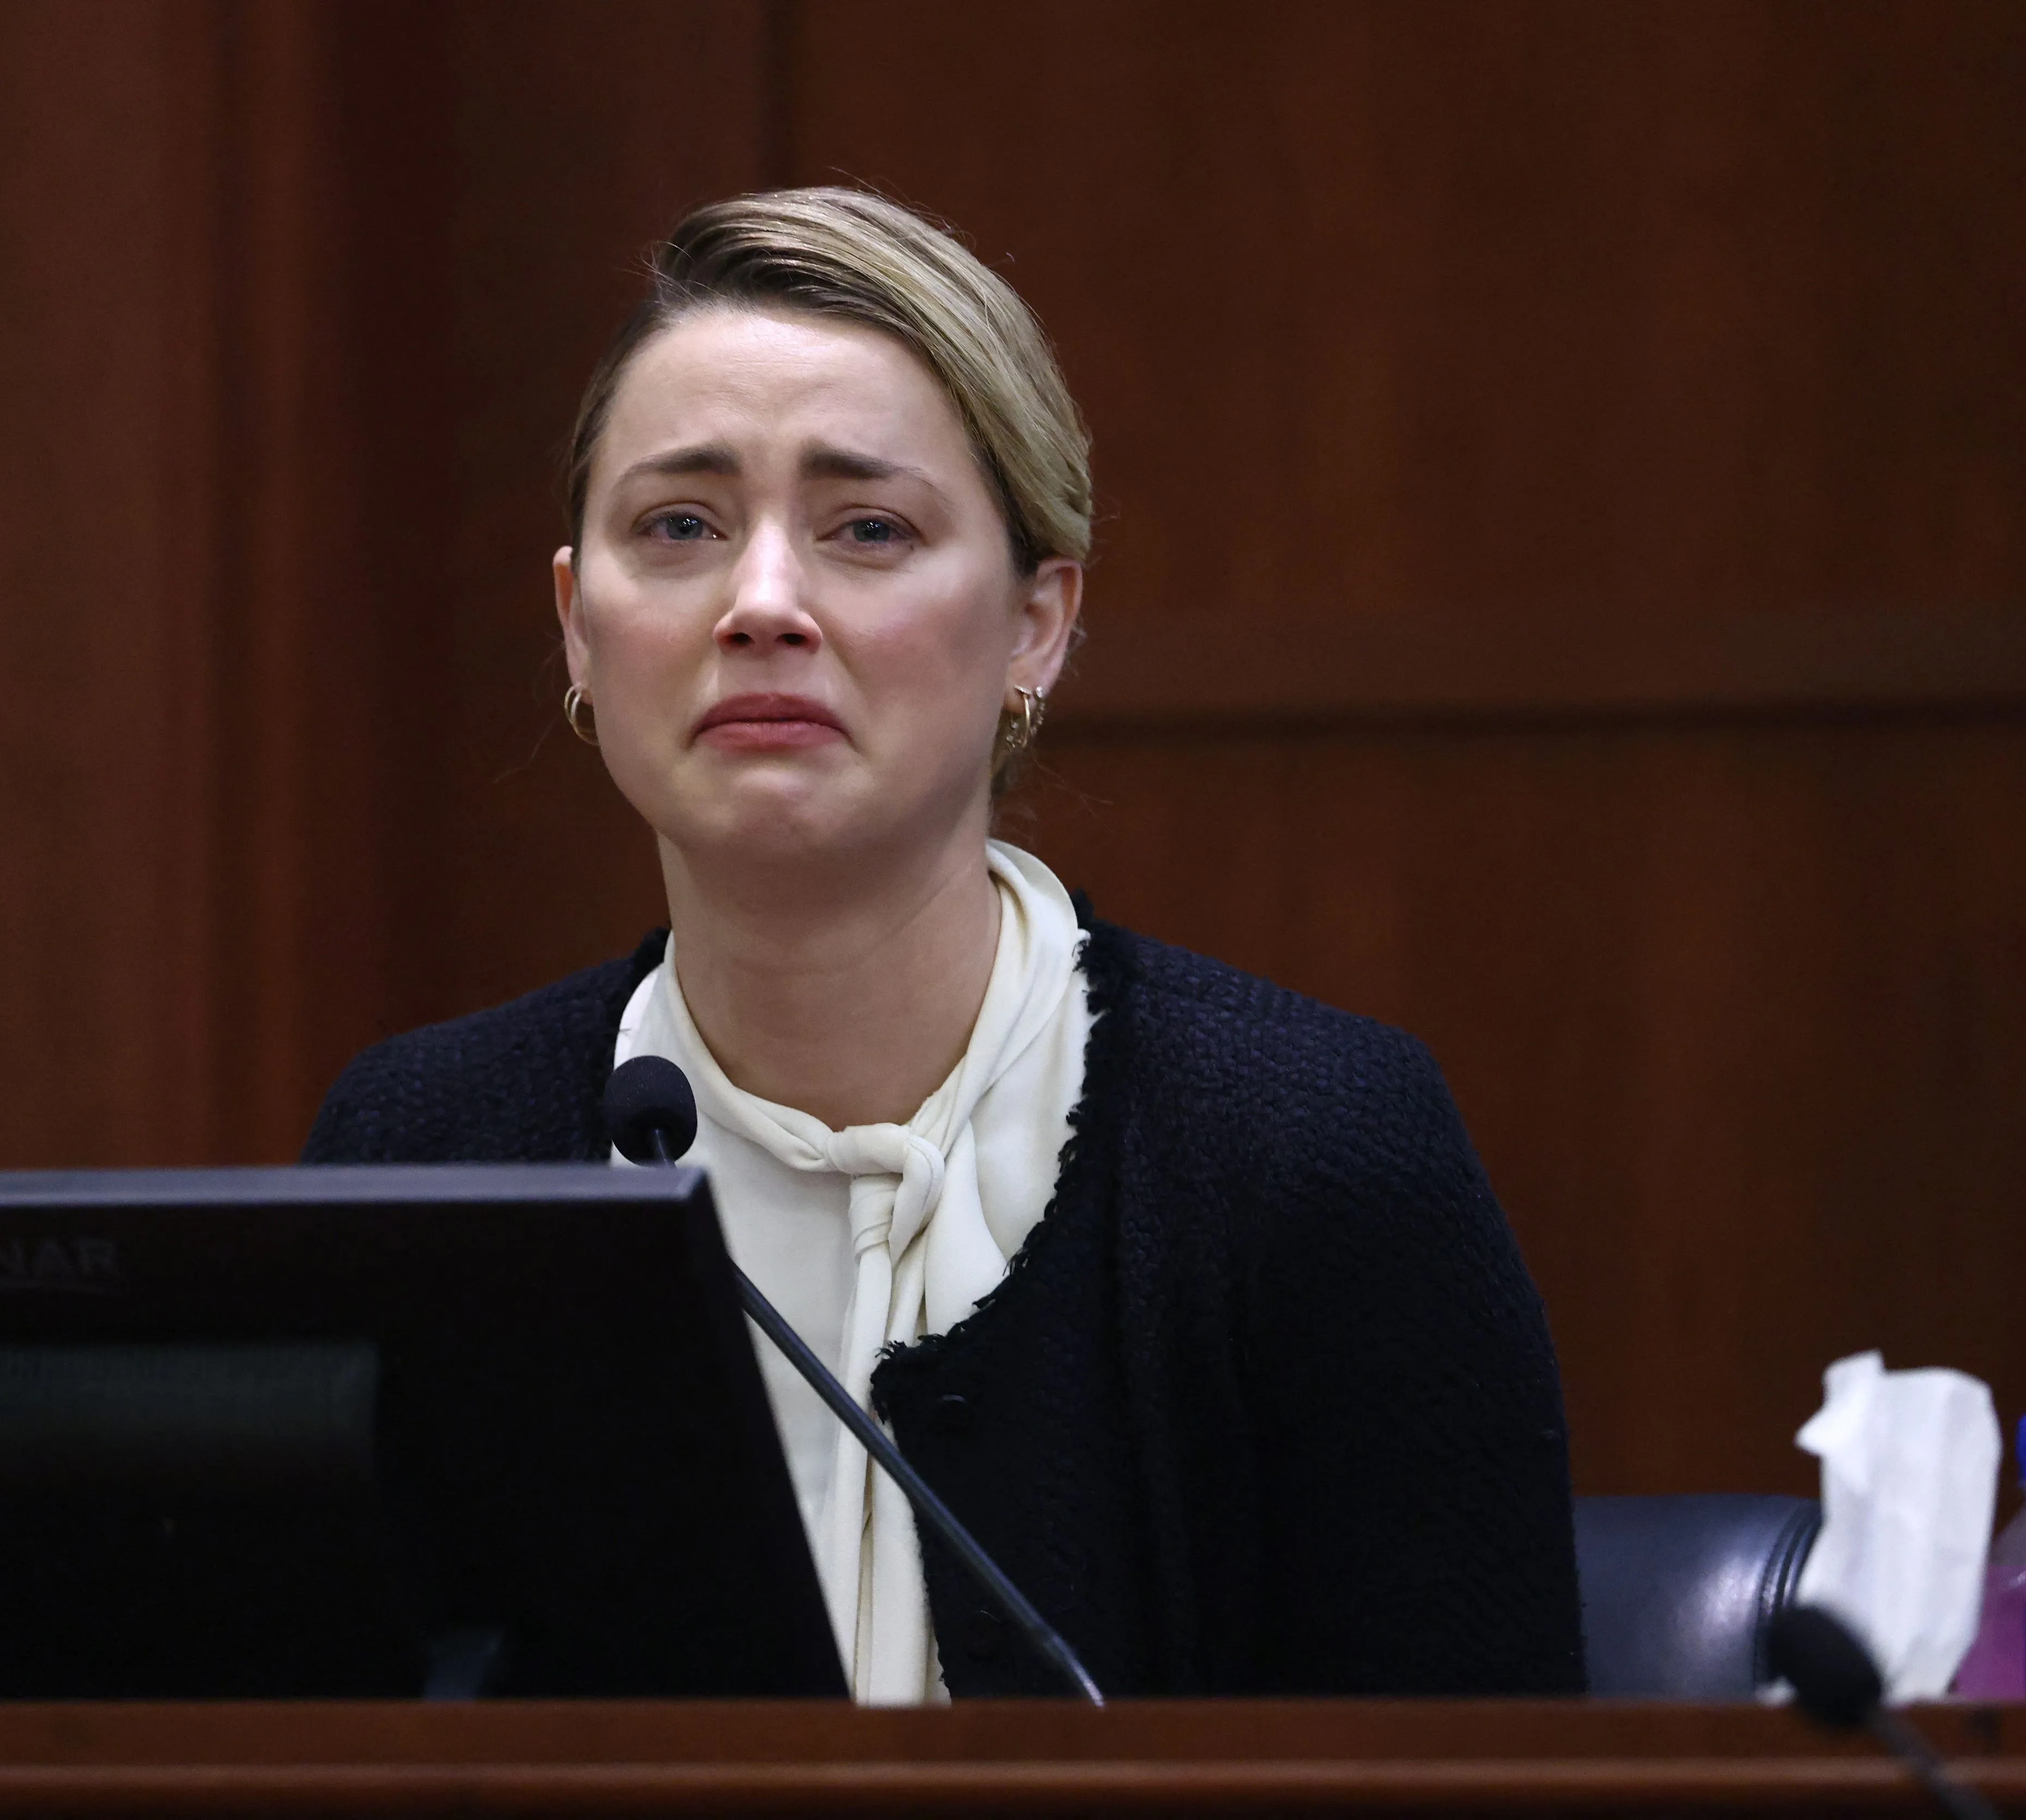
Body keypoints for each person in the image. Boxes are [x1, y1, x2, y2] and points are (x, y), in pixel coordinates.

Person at [303, 189, 1582, 1702]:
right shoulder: (429, 1157)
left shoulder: (1311, 1153)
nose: (762, 603)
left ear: (1039, 624)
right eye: (681, 527)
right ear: (582, 625)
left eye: (868, 528)